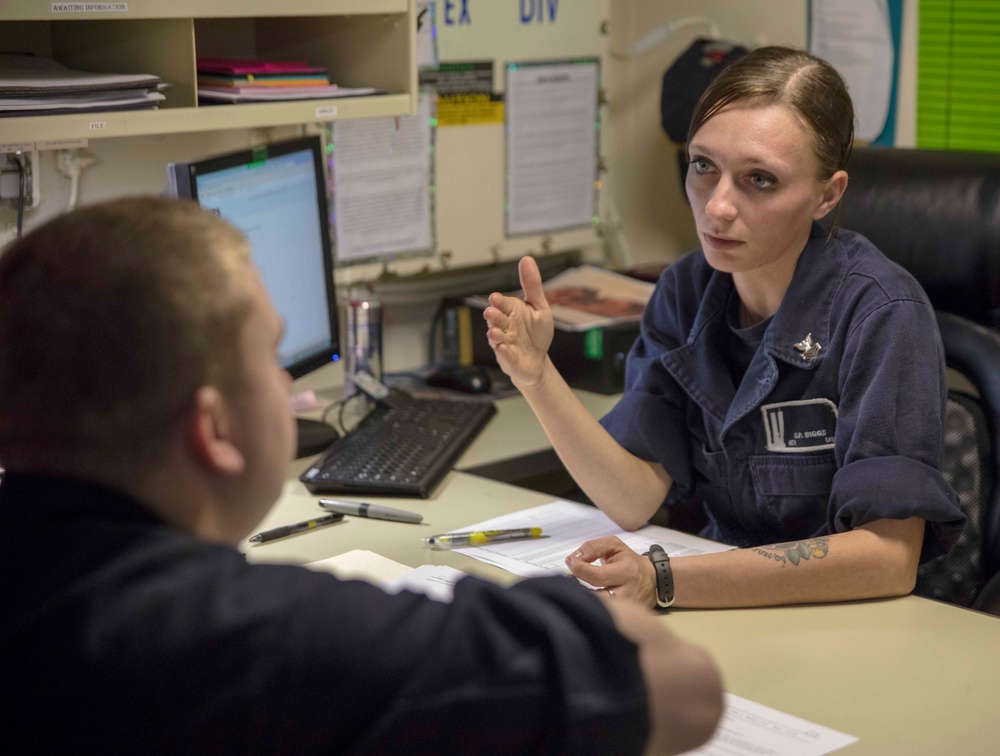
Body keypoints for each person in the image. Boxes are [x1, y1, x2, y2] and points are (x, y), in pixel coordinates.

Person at [0, 197, 722, 755]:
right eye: (270, 358)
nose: (285, 380)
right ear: (215, 430)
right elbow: (687, 692)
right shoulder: (263, 643)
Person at [484, 46, 965, 610]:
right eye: (703, 166)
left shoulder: (883, 312)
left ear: (826, 195)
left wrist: (664, 579)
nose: (716, 207)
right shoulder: (686, 291)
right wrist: (538, 376)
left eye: (759, 180)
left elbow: (888, 557)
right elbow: (633, 496)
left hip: (848, 618)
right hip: (720, 607)